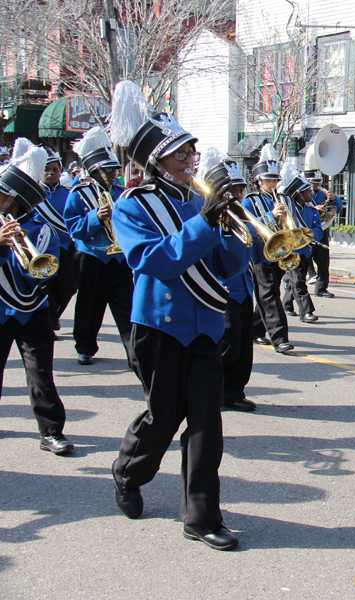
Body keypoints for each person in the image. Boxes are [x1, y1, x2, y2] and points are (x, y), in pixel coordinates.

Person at [107, 80, 250, 550]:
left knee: (208, 424)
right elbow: (157, 260)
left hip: (207, 327)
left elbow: (229, 268)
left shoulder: (199, 202)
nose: (192, 160)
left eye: (192, 152)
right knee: (162, 418)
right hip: (159, 327)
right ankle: (127, 472)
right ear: (156, 161)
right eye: (181, 155)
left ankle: (202, 517)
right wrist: (208, 221)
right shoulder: (132, 205)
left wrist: (236, 226)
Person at [0, 142, 72, 455]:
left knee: (41, 373)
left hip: (32, 310)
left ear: (16, 201)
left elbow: (41, 274)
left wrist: (20, 244)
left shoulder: (42, 231)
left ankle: (51, 431)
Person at [63, 126, 135, 367]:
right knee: (89, 305)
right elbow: (74, 228)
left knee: (127, 307)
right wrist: (96, 217)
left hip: (119, 258)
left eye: (115, 169)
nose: (113, 174)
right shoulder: (79, 193)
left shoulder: (122, 193)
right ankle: (85, 346)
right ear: (95, 170)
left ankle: (134, 350)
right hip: (92, 257)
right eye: (108, 170)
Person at [196, 147, 257, 413]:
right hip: (223, 289)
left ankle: (235, 391)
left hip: (244, 287)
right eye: (231, 191)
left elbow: (256, 253)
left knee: (244, 345)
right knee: (228, 344)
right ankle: (214, 391)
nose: (238, 196)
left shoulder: (242, 215)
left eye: (240, 190)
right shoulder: (209, 217)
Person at [242, 144, 294, 353]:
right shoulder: (250, 200)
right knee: (269, 294)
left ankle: (255, 329)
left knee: (267, 293)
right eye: (268, 180)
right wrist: (272, 215)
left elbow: (290, 226)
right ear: (259, 181)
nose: (273, 184)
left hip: (279, 252)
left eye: (275, 180)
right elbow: (249, 226)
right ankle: (280, 337)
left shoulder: (282, 199)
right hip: (260, 254)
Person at [34, 148, 77, 333]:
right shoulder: (33, 195)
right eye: (47, 169)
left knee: (68, 287)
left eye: (54, 169)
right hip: (43, 249)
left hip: (66, 248)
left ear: (61, 172)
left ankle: (55, 316)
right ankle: (50, 322)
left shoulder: (69, 194)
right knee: (47, 288)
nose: (50, 173)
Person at [280, 164, 323, 323]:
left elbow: (318, 228)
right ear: (298, 194)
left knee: (296, 280)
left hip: (306, 250)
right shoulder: (289, 211)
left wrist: (310, 235)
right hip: (293, 251)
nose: (311, 193)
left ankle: (286, 304)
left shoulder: (311, 210)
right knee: (298, 281)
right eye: (307, 192)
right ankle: (306, 311)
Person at [306, 170, 343, 298]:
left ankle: (321, 287)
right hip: (307, 231)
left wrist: (334, 199)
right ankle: (295, 289)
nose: (317, 185)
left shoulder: (323, 193)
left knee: (323, 261)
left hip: (322, 230)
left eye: (318, 182)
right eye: (313, 183)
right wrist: (314, 209)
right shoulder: (303, 194)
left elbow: (338, 208)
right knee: (303, 261)